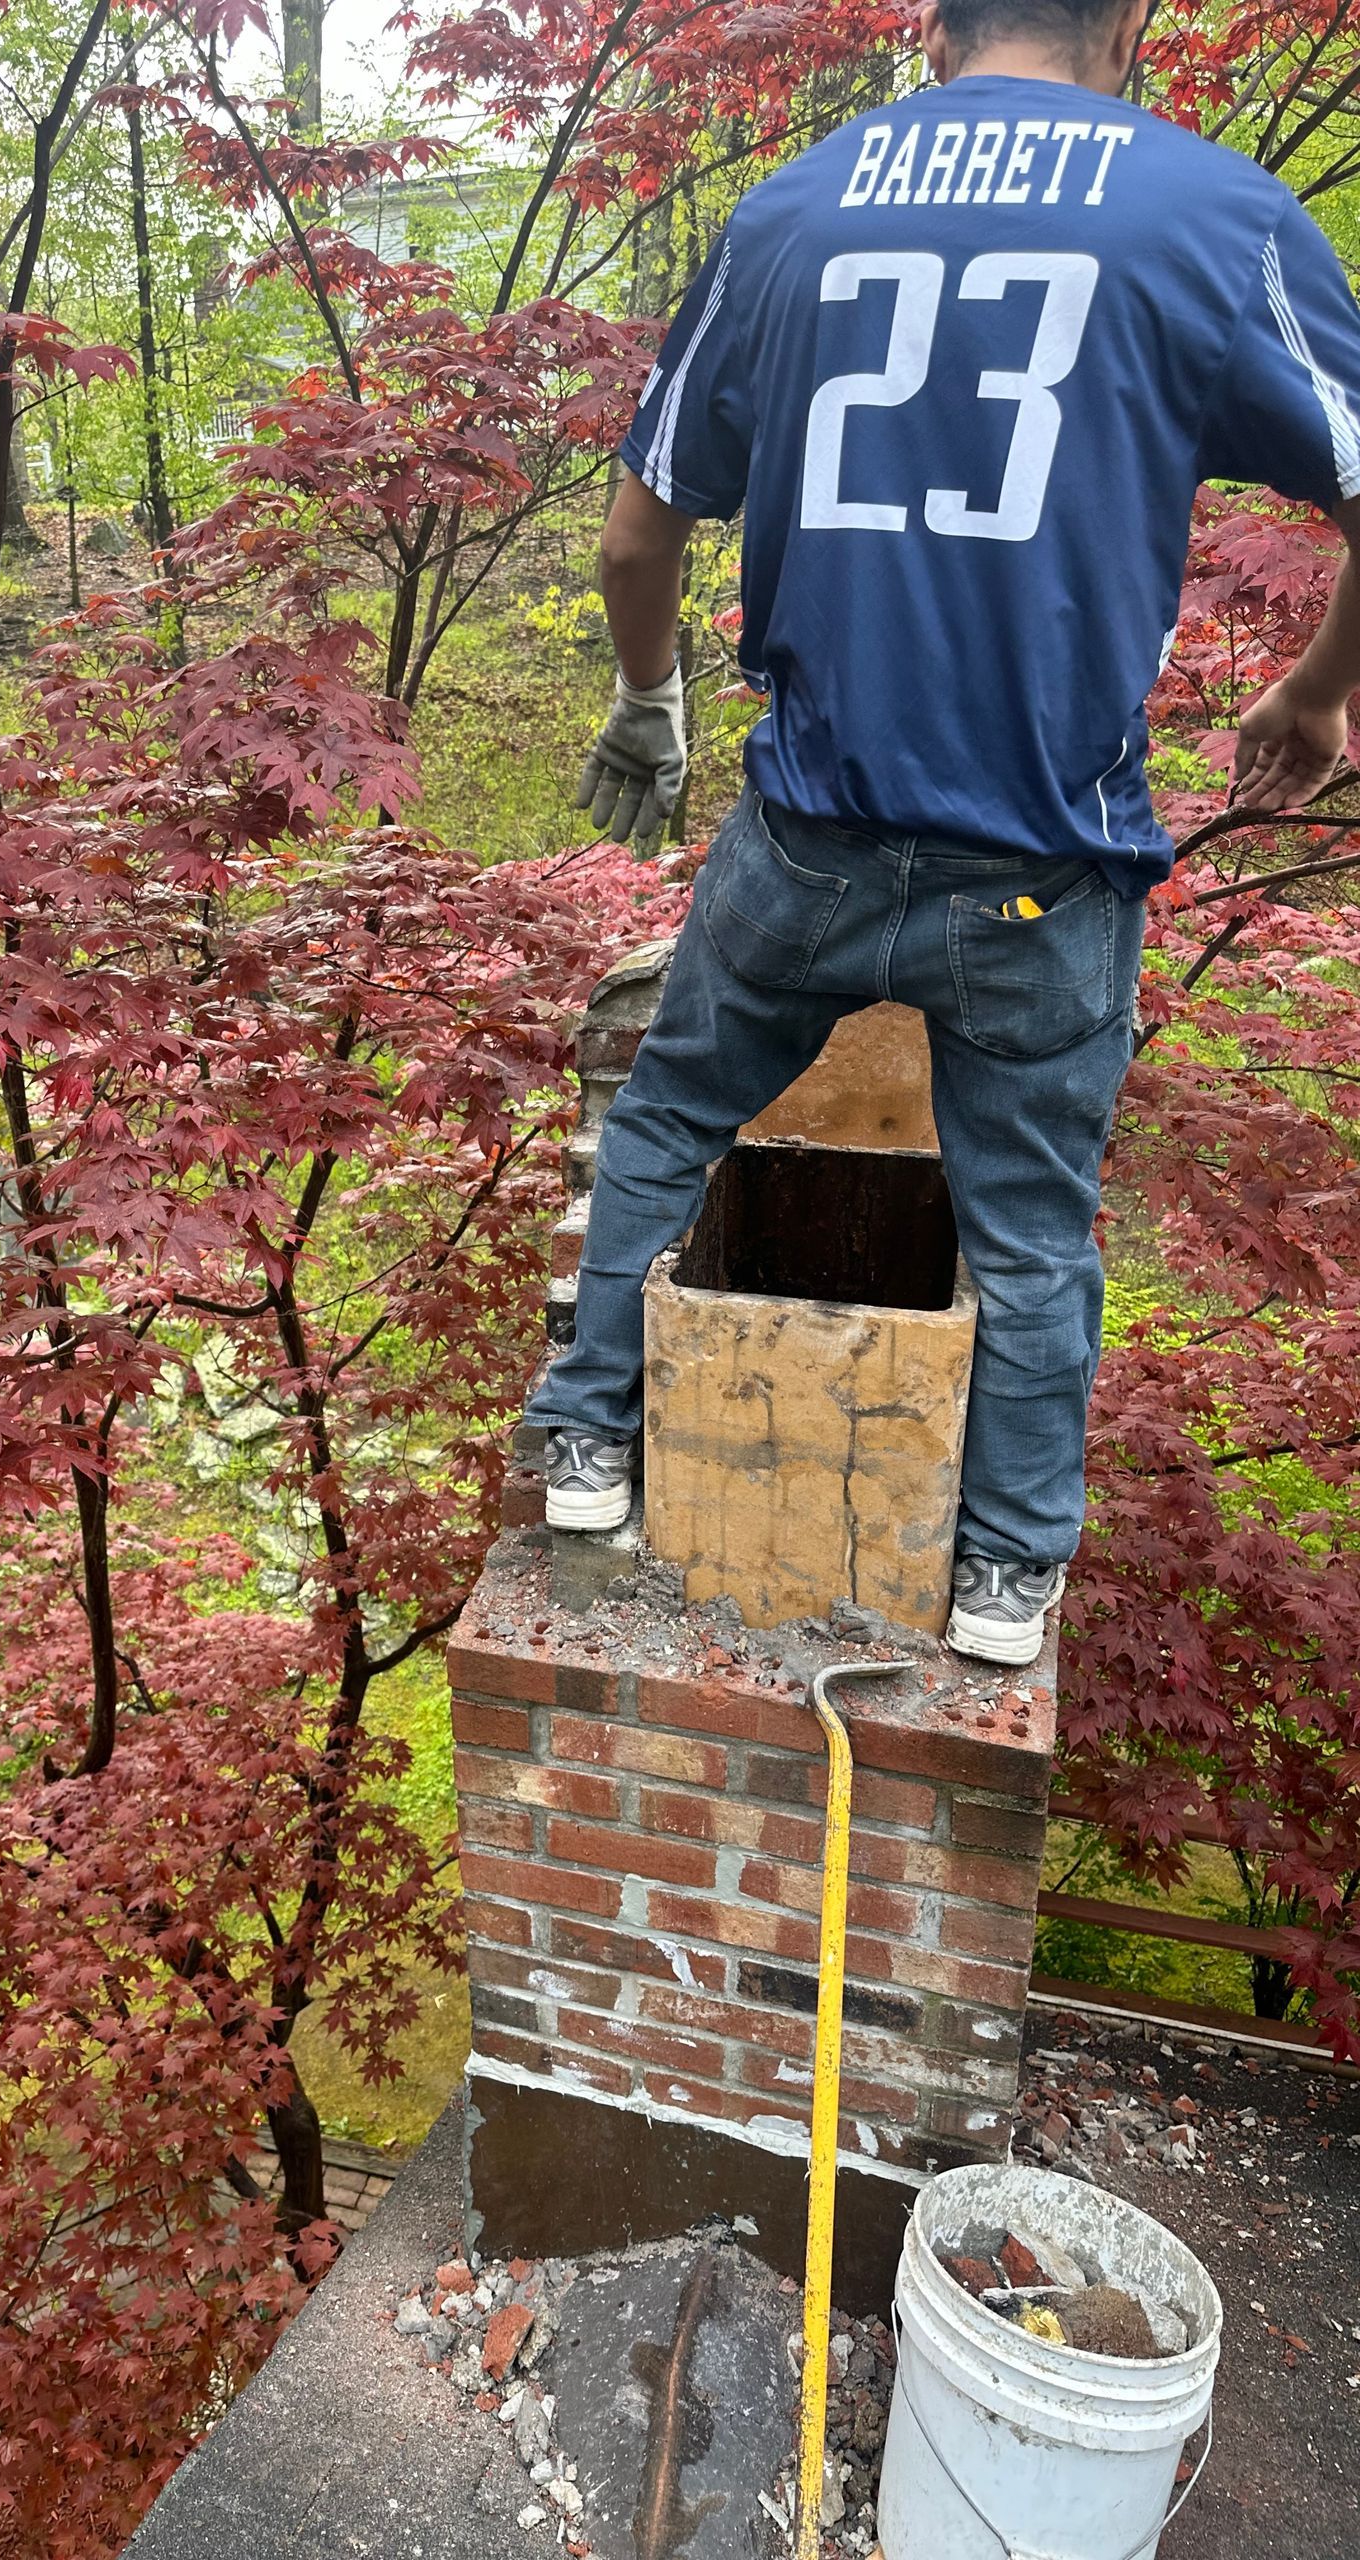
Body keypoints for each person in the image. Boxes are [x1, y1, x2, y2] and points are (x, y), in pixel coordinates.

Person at [532, 0, 1360, 1668]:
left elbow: (639, 536)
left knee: (671, 1116)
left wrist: (651, 706)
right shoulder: (1213, 214)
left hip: (811, 841)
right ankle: (1003, 1577)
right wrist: (1318, 693)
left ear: (929, 28)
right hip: (1042, 873)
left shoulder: (789, 212)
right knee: (1032, 1228)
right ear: (1120, 22)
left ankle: (583, 1442)